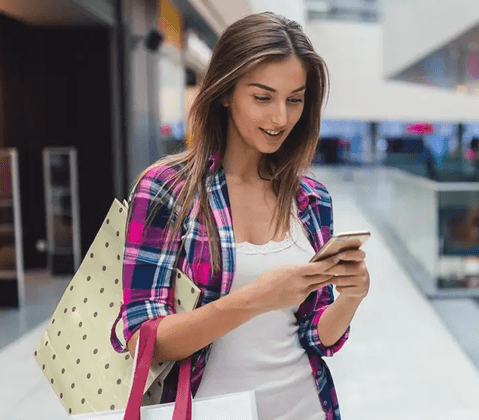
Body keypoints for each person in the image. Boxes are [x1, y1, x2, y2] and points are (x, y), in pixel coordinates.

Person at [110, 12, 370, 420]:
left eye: (295, 99)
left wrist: (352, 297)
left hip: (306, 407)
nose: (280, 118)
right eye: (262, 97)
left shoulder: (311, 199)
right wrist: (256, 299)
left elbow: (316, 338)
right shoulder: (167, 189)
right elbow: (145, 339)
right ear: (226, 92)